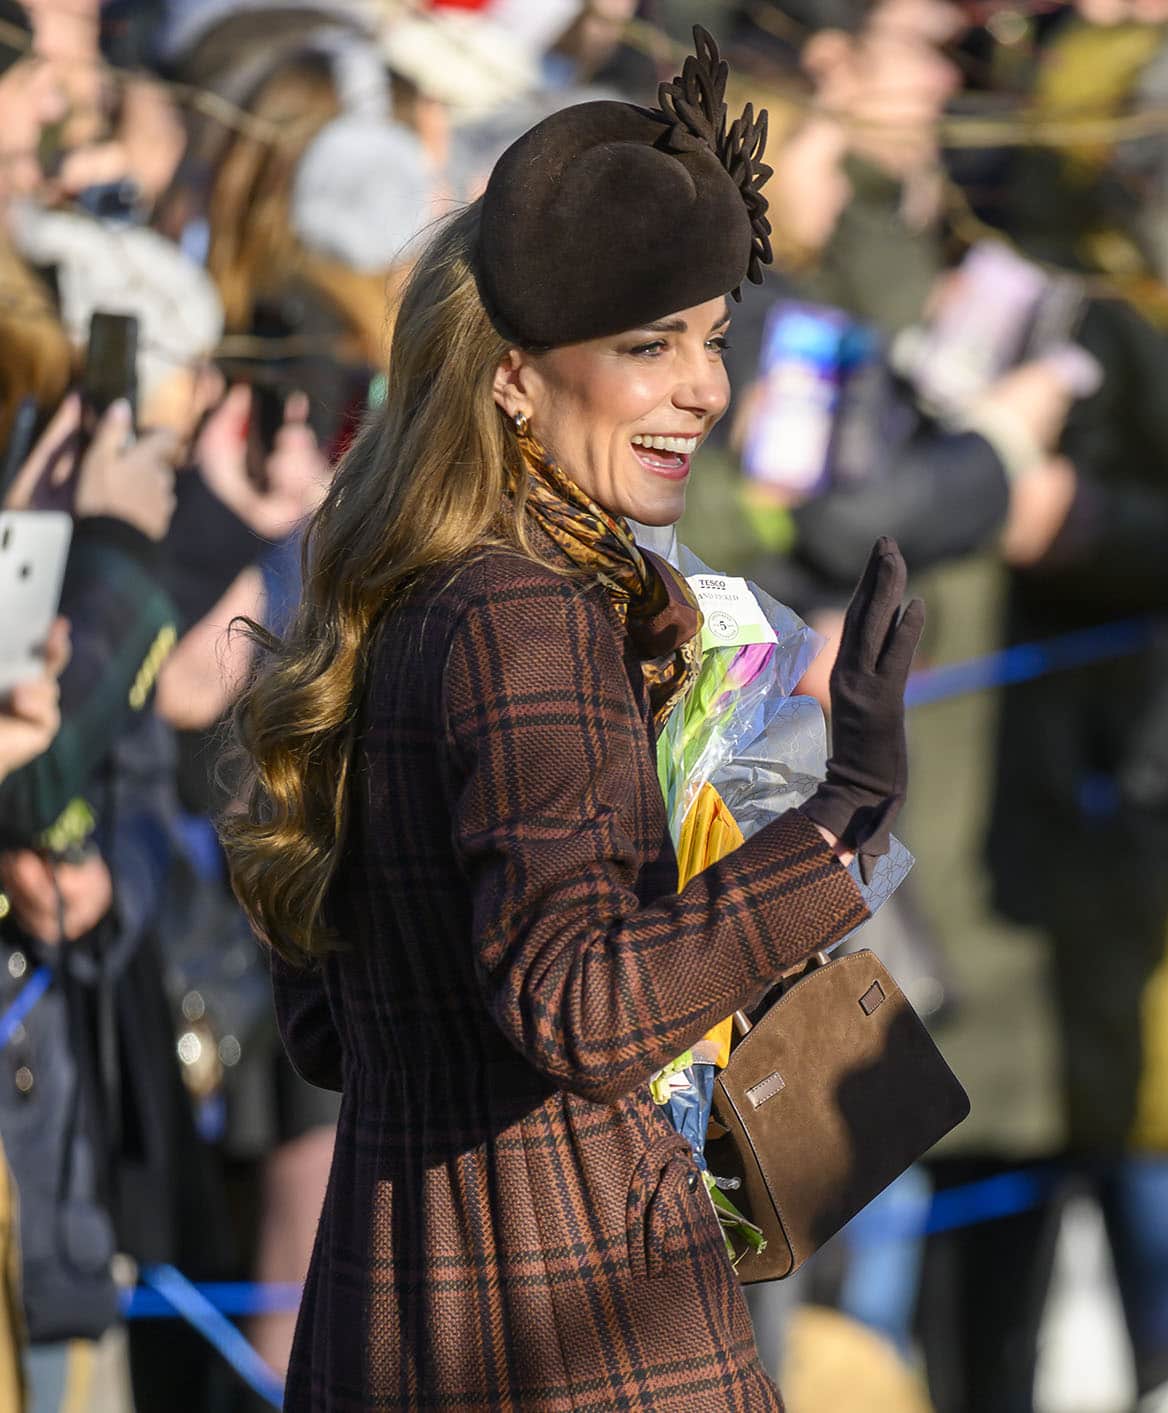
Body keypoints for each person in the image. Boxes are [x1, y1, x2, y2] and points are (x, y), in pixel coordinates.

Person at [223, 28, 925, 1411]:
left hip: (398, 1318)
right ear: (514, 374)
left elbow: (338, 1023)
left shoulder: (411, 591)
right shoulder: (520, 607)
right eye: (648, 344)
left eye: (711, 342)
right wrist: (835, 833)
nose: (705, 389)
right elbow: (579, 998)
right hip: (575, 1343)